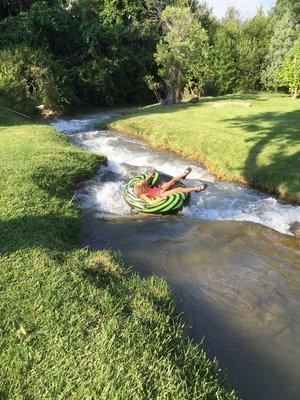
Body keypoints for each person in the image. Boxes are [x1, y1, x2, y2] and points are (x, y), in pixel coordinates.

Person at [133, 168, 207, 205]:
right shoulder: (142, 195)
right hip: (160, 194)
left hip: (159, 189)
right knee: (179, 189)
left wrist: (150, 175)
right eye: (146, 186)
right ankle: (197, 188)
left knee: (173, 181)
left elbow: (146, 180)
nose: (147, 185)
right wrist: (161, 199)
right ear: (142, 188)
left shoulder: (142, 185)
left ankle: (183, 175)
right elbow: (151, 203)